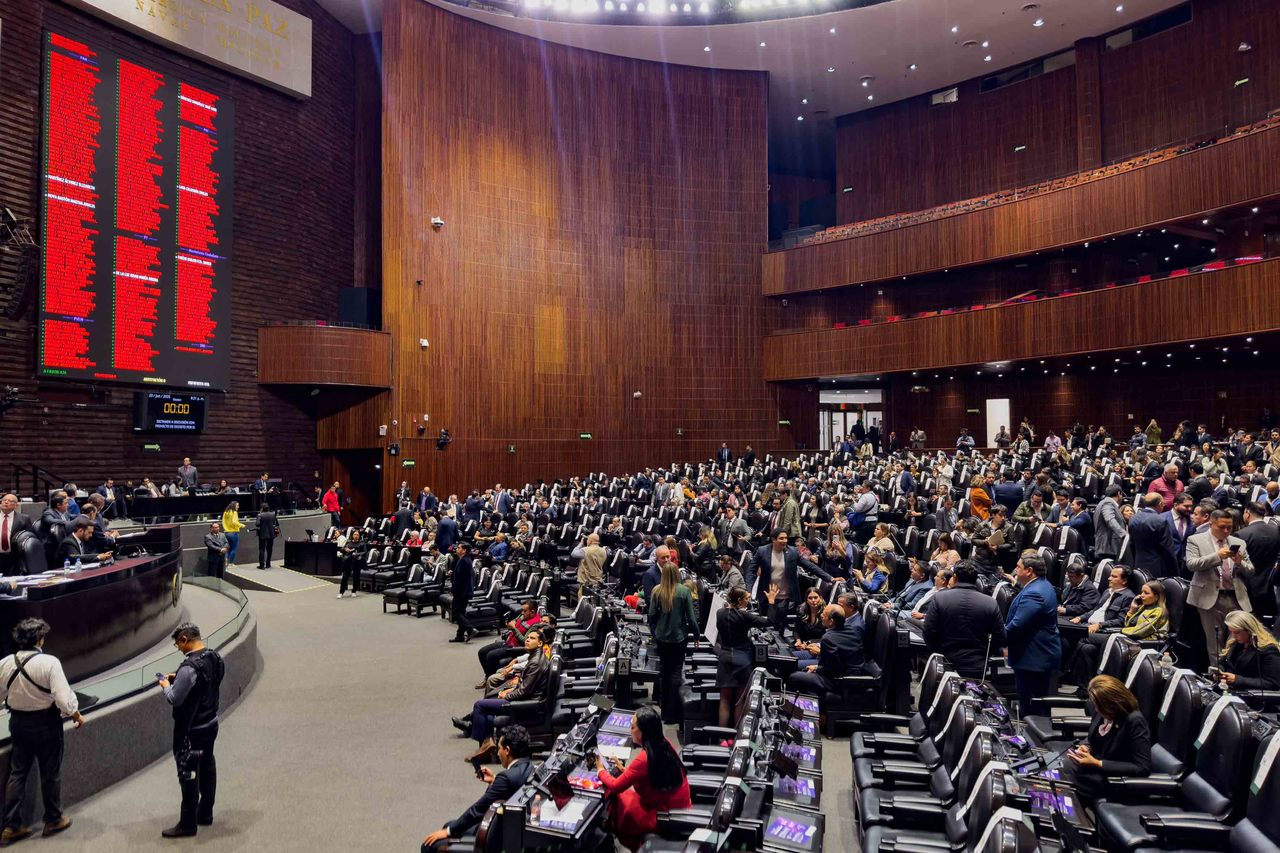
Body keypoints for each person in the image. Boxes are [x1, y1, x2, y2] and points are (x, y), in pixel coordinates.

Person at [0, 619, 83, 844]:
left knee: (18, 773)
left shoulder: (5, 662)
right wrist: (76, 714)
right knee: (50, 773)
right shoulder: (50, 662)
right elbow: (63, 699)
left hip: (18, 723)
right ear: (40, 639)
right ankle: (53, 819)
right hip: (47, 724)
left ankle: (11, 826)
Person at [157, 622, 225, 837]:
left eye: (178, 644)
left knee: (188, 775)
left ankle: (187, 825)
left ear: (184, 639)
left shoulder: (188, 668)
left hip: (191, 731)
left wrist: (166, 686)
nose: (178, 648)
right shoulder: (214, 656)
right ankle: (205, 813)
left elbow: (175, 699)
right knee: (208, 766)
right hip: (211, 723)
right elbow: (208, 683)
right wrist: (180, 680)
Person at [421, 725, 535, 852]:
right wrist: (494, 781)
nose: (497, 753)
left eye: (499, 748)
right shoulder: (530, 768)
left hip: (495, 838)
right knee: (449, 825)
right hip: (513, 832)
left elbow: (478, 809)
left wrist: (449, 831)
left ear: (507, 750)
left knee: (429, 845)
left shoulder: (506, 778)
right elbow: (512, 787)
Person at [596, 705, 692, 852]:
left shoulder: (643, 758)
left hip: (664, 816)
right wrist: (624, 770)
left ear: (644, 732)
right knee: (626, 797)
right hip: (676, 806)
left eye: (633, 727)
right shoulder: (664, 743)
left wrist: (600, 770)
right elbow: (649, 774)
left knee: (617, 800)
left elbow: (615, 786)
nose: (630, 730)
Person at [456, 630, 549, 762]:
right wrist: (510, 690)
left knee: (479, 705)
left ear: (540, 643)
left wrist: (507, 695)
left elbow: (524, 692)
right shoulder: (535, 657)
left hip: (524, 705)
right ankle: (487, 744)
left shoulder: (535, 662)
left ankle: (484, 747)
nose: (527, 640)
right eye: (527, 637)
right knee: (489, 698)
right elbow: (525, 686)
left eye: (532, 638)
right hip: (525, 699)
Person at [1066, 675, 1151, 807]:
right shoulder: (1102, 712)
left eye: (1098, 706)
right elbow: (1092, 738)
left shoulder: (1135, 721)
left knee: (1067, 781)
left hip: (1115, 781)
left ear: (1112, 704)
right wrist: (1086, 746)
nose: (1095, 710)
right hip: (1095, 772)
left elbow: (1142, 767)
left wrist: (1097, 763)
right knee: (1061, 767)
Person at [1186, 509, 1255, 664]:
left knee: (1236, 641)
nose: (1226, 531)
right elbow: (1191, 564)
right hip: (1210, 598)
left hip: (1236, 597)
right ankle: (1217, 674)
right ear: (1211, 524)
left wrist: (1240, 563)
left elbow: (1251, 571)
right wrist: (1217, 556)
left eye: (1229, 527)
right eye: (1222, 527)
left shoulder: (1239, 543)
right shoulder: (1195, 540)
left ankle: (1232, 672)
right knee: (1215, 642)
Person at [1071, 580, 1167, 689]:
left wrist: (1120, 631)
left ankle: (1067, 672)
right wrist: (1132, 609)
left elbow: (1139, 632)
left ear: (1156, 597)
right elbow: (1128, 625)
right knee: (1087, 648)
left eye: (1146, 593)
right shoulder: (1143, 607)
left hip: (1138, 643)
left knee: (1084, 636)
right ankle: (1085, 686)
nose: (1141, 595)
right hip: (1125, 638)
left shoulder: (1158, 612)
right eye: (1141, 592)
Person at [922, 560, 1006, 679]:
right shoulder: (990, 603)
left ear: (955, 577)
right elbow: (1000, 637)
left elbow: (928, 631)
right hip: (977, 665)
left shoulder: (940, 598)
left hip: (944, 662)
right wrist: (985, 656)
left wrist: (937, 651)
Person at [1003, 551, 1061, 716]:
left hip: (1034, 658)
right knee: (1032, 705)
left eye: (1018, 567)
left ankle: (1032, 733)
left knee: (1033, 709)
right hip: (1035, 656)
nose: (1015, 569)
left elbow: (1017, 625)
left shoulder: (1035, 593)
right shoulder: (1042, 585)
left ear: (1029, 571)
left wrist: (996, 636)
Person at [747, 530, 835, 631]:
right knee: (764, 626)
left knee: (779, 627)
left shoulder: (793, 552)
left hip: (784, 596)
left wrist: (830, 578)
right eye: (781, 538)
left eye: (786, 538)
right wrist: (749, 590)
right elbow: (751, 571)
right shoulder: (762, 551)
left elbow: (810, 566)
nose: (785, 540)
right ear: (773, 539)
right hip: (767, 595)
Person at [714, 586, 777, 726]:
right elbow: (769, 622)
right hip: (742, 660)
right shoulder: (745, 616)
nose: (748, 601)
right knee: (740, 701)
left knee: (724, 700)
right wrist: (771, 602)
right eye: (747, 598)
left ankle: (721, 735)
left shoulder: (719, 613)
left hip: (725, 659)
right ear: (739, 600)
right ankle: (737, 734)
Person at [649, 562, 700, 724]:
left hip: (661, 638)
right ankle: (673, 713)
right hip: (679, 638)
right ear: (677, 574)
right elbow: (691, 618)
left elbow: (651, 615)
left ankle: (664, 712)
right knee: (676, 672)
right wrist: (696, 635)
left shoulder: (657, 591)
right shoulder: (684, 591)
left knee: (664, 671)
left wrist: (656, 631)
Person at [786, 604, 865, 696]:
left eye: (824, 614)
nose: (821, 616)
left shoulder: (828, 638)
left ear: (831, 621)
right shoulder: (852, 630)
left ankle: (805, 702)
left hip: (838, 680)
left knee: (794, 677)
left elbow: (832, 669)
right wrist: (817, 667)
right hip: (852, 672)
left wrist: (816, 668)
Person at [475, 600, 543, 676]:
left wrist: (513, 628)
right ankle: (487, 675)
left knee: (491, 656)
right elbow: (514, 620)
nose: (522, 613)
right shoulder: (524, 615)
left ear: (532, 612)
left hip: (516, 648)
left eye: (525, 611)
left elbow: (525, 641)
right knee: (482, 652)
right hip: (508, 641)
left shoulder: (536, 624)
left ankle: (490, 678)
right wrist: (510, 623)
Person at [1216, 611, 1280, 690]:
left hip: (1253, 694)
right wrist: (1220, 672)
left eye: (1237, 632)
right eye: (1231, 632)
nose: (1233, 636)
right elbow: (1223, 663)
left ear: (1249, 630)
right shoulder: (1234, 644)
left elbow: (1273, 683)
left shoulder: (1268, 650)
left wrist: (1237, 680)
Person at [1128, 493, 1178, 577]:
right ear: (1160, 504)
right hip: (1157, 567)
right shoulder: (1161, 521)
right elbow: (1168, 549)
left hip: (1138, 564)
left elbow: (1131, 544)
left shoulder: (1133, 519)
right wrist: (1175, 572)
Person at [0, 493, 37, 575]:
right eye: (4, 500)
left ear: (16, 505)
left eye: (10, 501)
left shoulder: (24, 519)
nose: (6, 502)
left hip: (14, 558)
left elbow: (30, 538)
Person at [448, 543, 477, 644]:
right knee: (460, 612)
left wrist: (453, 590)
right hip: (465, 590)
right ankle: (460, 636)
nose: (457, 549)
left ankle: (470, 629)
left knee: (456, 612)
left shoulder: (464, 561)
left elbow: (459, 579)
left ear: (464, 550)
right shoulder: (466, 560)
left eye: (459, 548)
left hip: (461, 591)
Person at [1094, 485, 1128, 560]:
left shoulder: (1103, 503)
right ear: (1119, 493)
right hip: (1108, 547)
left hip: (1106, 547)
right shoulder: (1108, 503)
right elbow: (1110, 519)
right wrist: (1124, 534)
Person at [572, 532, 607, 597]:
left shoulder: (585, 550)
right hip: (598, 581)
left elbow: (573, 554)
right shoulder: (604, 551)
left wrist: (581, 543)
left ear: (590, 541)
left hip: (586, 582)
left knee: (583, 601)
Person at [335, 529, 366, 599]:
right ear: (352, 535)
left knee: (356, 577)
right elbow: (341, 549)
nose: (356, 536)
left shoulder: (362, 543)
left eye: (357, 535)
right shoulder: (348, 542)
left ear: (359, 536)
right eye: (355, 534)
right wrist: (345, 549)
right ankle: (341, 592)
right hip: (348, 562)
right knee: (344, 577)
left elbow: (364, 552)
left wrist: (356, 554)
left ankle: (354, 591)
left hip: (356, 562)